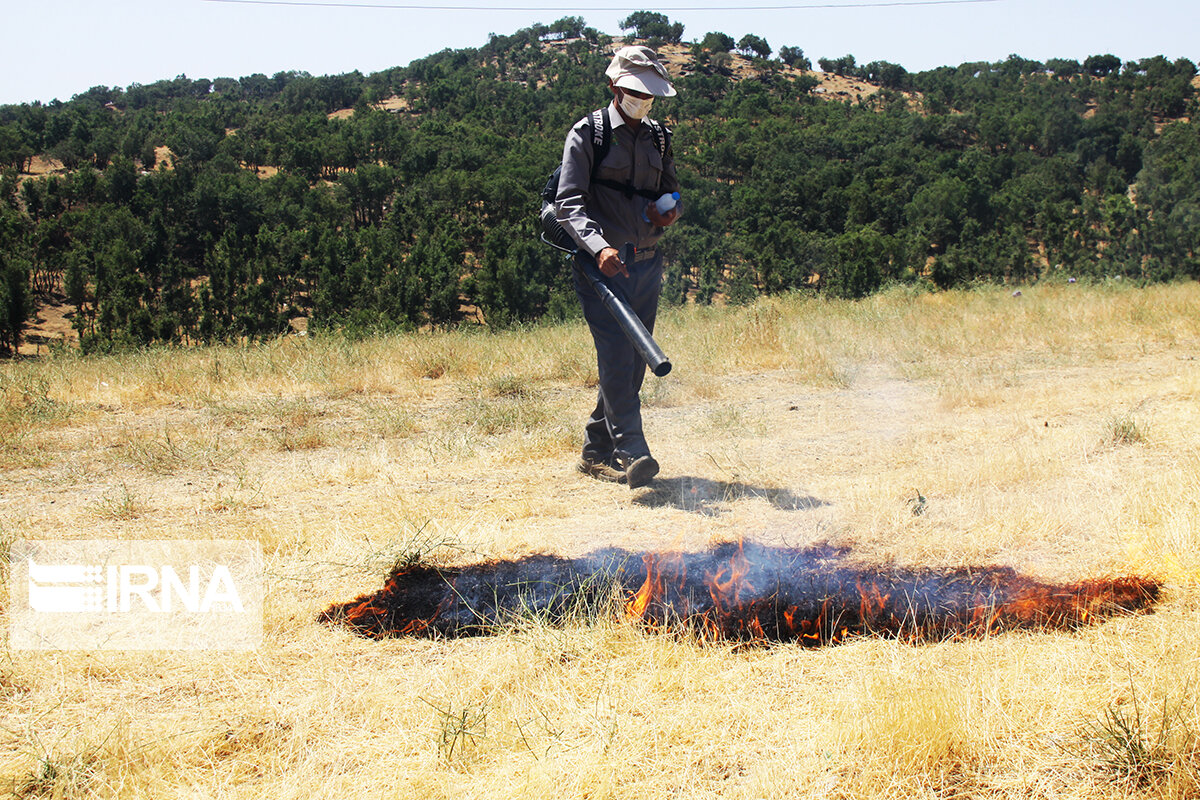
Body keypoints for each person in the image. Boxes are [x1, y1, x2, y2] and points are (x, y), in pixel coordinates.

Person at [554, 45, 682, 489]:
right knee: (615, 355)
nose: (642, 101)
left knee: (634, 365)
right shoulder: (587, 133)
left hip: (646, 265)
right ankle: (633, 450)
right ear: (614, 86)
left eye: (650, 96)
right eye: (635, 92)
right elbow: (567, 203)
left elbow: (670, 192)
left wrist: (668, 211)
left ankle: (594, 450)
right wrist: (599, 247)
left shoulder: (660, 138)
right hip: (601, 270)